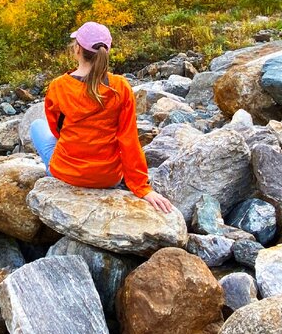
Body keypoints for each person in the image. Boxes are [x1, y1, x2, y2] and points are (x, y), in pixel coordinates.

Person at [29, 21, 176, 214]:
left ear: (77, 49)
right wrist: (142, 187)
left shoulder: (59, 86)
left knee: (37, 125)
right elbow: (128, 139)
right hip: (108, 177)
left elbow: (56, 129)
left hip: (68, 174)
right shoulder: (120, 87)